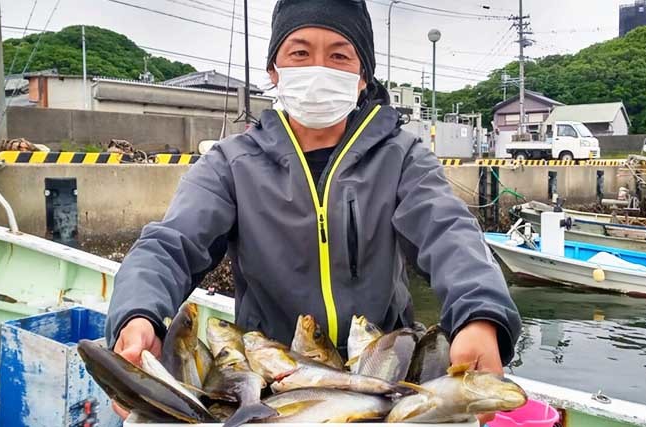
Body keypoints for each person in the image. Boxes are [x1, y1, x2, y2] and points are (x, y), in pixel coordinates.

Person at [106, 0, 521, 422]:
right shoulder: (230, 164)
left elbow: (450, 234)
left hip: (383, 371)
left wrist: (480, 315)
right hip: (272, 384)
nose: (319, 68)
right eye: (300, 53)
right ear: (274, 70)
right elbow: (170, 244)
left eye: (340, 55)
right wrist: (138, 315)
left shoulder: (403, 157)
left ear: (362, 77)